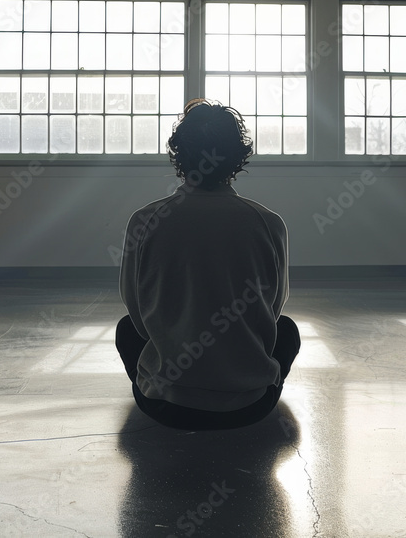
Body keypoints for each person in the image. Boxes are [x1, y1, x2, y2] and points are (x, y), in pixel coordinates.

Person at [115, 98, 300, 430]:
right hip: (249, 406)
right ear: (238, 156)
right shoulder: (268, 223)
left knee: (125, 330)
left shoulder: (145, 221)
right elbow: (271, 314)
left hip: (164, 406)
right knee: (288, 331)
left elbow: (139, 319)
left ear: (178, 155)